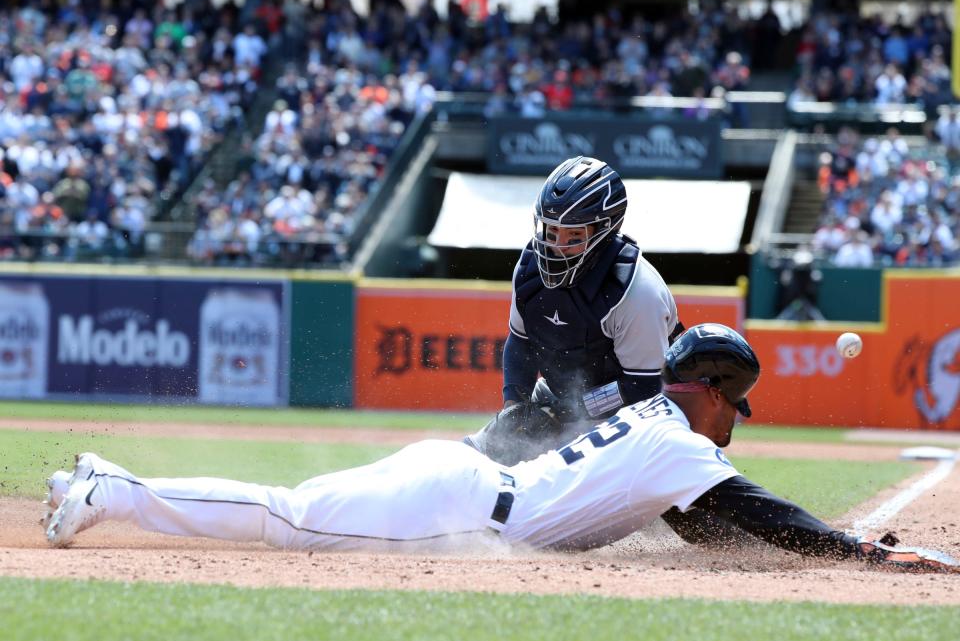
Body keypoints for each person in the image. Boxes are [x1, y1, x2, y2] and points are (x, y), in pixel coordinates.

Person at [41, 323, 957, 572]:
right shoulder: (683, 447)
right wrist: (860, 551)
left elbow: (719, 526)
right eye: (735, 409)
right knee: (288, 518)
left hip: (465, 478)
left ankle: (107, 482)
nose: (733, 425)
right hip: (457, 505)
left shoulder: (660, 431)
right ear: (711, 393)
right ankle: (112, 490)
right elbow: (763, 513)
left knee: (294, 508)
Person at [465, 156, 681, 464]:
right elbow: (520, 344)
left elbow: (644, 386)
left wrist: (572, 411)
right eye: (551, 232)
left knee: (572, 491)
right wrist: (516, 407)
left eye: (574, 237)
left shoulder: (637, 291)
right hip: (562, 400)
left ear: (604, 232)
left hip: (647, 416)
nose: (556, 247)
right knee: (475, 454)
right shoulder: (528, 270)